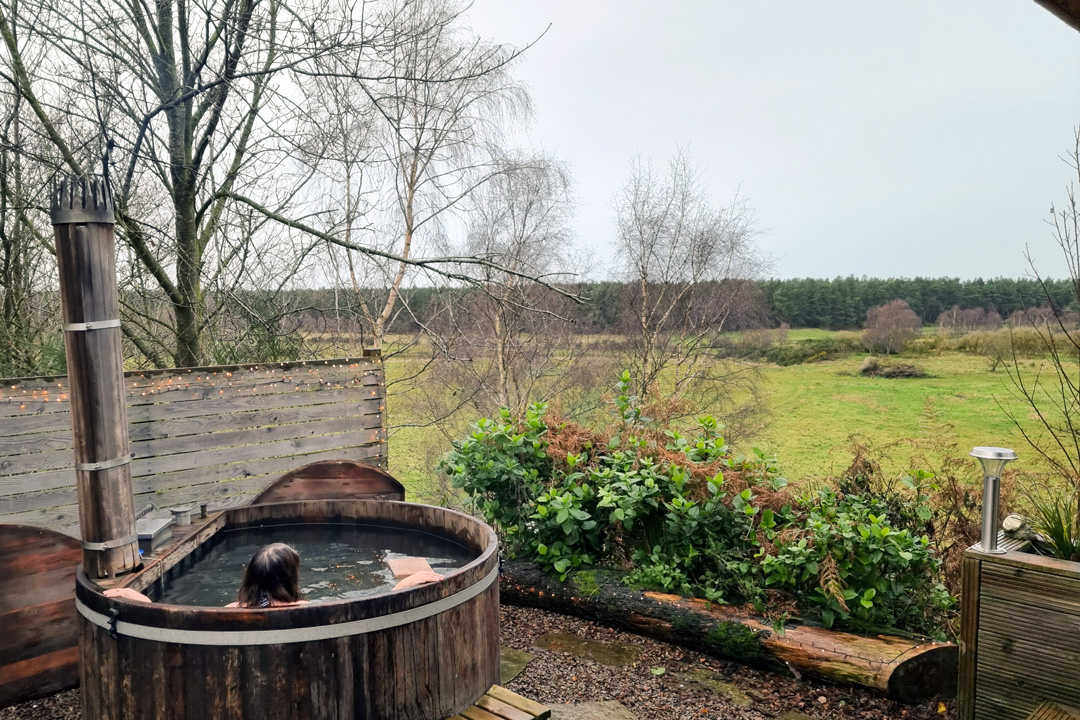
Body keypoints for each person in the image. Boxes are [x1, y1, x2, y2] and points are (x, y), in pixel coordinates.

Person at [103, 542, 442, 606]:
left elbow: (167, 617)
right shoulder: (306, 611)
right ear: (291, 579)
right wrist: (407, 583)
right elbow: (371, 605)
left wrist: (135, 597)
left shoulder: (232, 614)